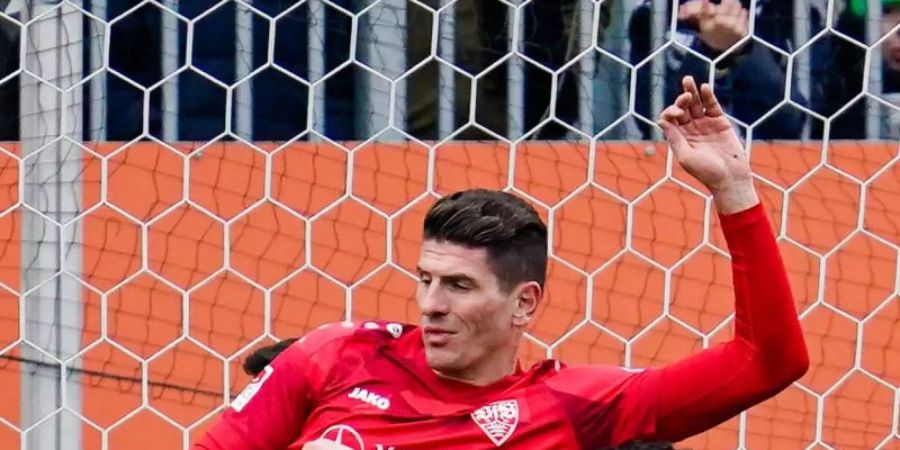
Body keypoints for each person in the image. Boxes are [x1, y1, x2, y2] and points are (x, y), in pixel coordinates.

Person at [192, 76, 809, 449]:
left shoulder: (571, 406)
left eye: (460, 285)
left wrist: (734, 190)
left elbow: (769, 363)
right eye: (426, 280)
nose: (432, 304)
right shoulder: (335, 355)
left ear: (525, 303)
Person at [629, 0, 810, 139]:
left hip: (774, 170)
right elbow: (653, 120)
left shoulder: (795, 13)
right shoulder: (655, 15)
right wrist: (707, 50)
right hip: (679, 170)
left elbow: (796, 124)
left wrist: (744, 50)